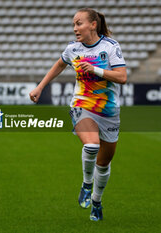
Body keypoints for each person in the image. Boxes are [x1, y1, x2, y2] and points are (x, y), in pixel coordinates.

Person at [29, 8, 127, 221]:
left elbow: (122, 77)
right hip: (81, 106)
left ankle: (97, 202)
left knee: (104, 163)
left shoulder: (110, 47)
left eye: (79, 23)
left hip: (108, 112)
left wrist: (95, 70)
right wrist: (40, 87)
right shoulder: (73, 49)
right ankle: (86, 184)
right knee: (91, 145)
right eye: (73, 24)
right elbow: (58, 65)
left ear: (93, 24)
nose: (75, 28)